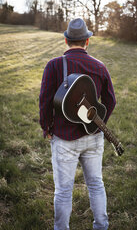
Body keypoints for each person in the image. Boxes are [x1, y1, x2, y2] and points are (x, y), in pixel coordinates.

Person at [39, 18, 116, 230]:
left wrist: (47, 128)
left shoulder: (53, 65)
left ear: (66, 40)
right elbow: (111, 101)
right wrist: (96, 124)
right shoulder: (100, 66)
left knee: (63, 191)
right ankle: (101, 226)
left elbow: (45, 101)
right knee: (96, 184)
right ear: (87, 41)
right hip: (93, 138)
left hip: (64, 137)